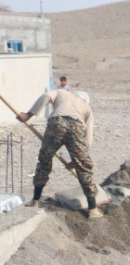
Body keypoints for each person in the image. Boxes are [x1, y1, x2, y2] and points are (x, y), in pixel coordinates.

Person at [16, 90, 102, 219]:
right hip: (77, 126)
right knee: (84, 166)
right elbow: (88, 142)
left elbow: (46, 96)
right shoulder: (87, 108)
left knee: (44, 160)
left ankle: (36, 199)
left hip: (56, 123)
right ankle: (93, 209)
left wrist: (28, 115)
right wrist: (75, 162)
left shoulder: (62, 93)